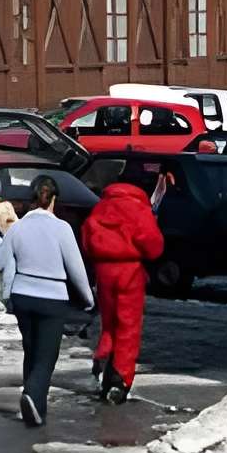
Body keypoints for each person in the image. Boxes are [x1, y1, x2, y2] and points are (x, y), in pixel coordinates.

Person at [0, 175, 91, 427]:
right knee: (46, 356)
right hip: (52, 298)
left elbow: (3, 261)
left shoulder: (17, 227)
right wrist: (88, 298)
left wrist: (8, 295)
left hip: (22, 296)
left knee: (31, 351)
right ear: (54, 199)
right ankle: (32, 395)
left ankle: (35, 408)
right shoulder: (62, 228)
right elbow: (76, 269)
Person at [82, 158, 166, 404]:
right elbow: (153, 247)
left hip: (104, 271)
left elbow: (87, 238)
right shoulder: (139, 209)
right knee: (128, 327)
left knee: (109, 323)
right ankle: (120, 379)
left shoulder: (102, 206)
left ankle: (103, 356)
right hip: (129, 272)